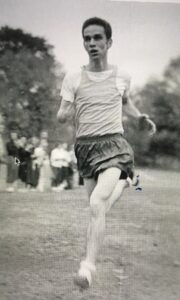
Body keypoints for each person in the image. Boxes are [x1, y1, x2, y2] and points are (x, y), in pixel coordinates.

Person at [57, 17, 156, 289]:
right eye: (87, 38)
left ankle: (87, 267)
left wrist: (140, 118)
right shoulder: (73, 78)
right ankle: (125, 183)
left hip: (114, 145)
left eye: (97, 38)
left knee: (97, 202)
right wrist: (64, 112)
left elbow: (126, 102)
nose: (92, 43)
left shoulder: (122, 76)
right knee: (97, 208)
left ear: (108, 42)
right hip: (85, 148)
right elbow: (62, 114)